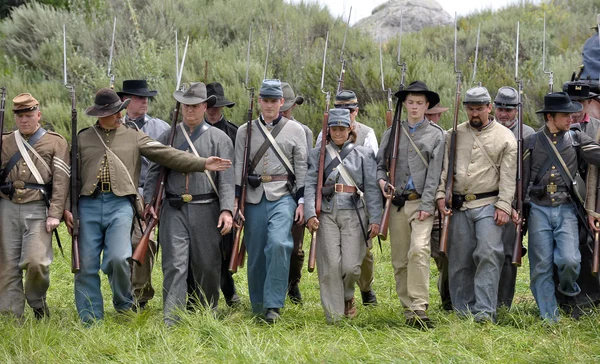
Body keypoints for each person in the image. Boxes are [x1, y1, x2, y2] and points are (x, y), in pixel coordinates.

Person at [63, 87, 231, 325]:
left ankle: (124, 302)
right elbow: (72, 179)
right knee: (87, 265)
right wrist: (67, 207)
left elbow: (167, 155)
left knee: (120, 259)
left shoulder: (134, 136)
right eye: (114, 112)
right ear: (100, 114)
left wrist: (203, 164)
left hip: (124, 203)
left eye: (120, 111)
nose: (120, 116)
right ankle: (92, 318)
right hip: (89, 204)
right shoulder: (82, 138)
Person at [143, 82, 234, 325]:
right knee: (174, 264)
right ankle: (172, 317)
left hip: (207, 207)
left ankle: (208, 312)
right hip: (174, 209)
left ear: (205, 106)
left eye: (195, 106)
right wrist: (149, 202)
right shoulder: (168, 135)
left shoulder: (219, 138)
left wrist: (227, 210)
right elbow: (154, 171)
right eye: (186, 105)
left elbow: (226, 180)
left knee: (207, 264)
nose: (189, 110)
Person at [436, 86, 517, 323]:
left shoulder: (505, 137)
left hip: (489, 204)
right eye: (470, 109)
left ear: (489, 108)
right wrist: (441, 194)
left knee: (488, 254)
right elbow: (445, 169)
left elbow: (509, 176)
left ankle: (484, 311)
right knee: (459, 259)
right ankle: (463, 310)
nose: (474, 114)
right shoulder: (454, 134)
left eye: (479, 109)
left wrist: (503, 205)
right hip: (460, 205)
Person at [233, 79, 307, 323]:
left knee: (278, 244)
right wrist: (237, 200)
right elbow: (238, 167)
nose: (269, 105)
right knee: (255, 252)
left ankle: (273, 304)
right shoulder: (245, 130)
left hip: (283, 195)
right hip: (254, 196)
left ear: (281, 102)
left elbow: (301, 168)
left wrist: (302, 201)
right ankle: (258, 305)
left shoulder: (297, 131)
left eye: (274, 101)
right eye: (265, 100)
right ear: (259, 102)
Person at [524, 92, 600, 322]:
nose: (571, 118)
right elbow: (522, 178)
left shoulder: (576, 139)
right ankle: (550, 318)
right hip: (538, 209)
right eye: (565, 115)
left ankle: (568, 290)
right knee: (541, 267)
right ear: (550, 116)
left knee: (570, 261)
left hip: (567, 208)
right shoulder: (532, 142)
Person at [377, 81, 445, 327]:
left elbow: (435, 174)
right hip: (396, 205)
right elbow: (379, 167)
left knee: (419, 251)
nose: (415, 107)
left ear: (427, 105)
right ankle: (409, 312)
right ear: (404, 104)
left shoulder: (437, 135)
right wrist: (383, 182)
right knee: (399, 260)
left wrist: (428, 204)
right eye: (411, 102)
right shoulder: (392, 132)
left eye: (420, 103)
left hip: (421, 204)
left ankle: (420, 307)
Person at [305, 108, 381, 323]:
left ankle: (348, 295)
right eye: (334, 129)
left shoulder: (363, 154)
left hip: (354, 213)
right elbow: (311, 184)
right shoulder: (317, 154)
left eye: (342, 129)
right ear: (328, 131)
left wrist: (375, 219)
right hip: (327, 213)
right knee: (330, 266)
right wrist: (310, 213)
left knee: (351, 266)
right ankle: (335, 317)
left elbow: (373, 189)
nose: (338, 133)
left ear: (350, 130)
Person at [0, 93, 69, 319]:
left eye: (29, 115)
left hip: (38, 207)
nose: (24, 120)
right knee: (8, 265)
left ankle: (37, 302)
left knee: (36, 261)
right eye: (20, 117)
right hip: (7, 206)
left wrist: (55, 213)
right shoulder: (5, 140)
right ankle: (12, 316)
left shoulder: (55, 141)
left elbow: (61, 180)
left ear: (38, 115)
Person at [117, 79, 170, 310]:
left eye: (146, 98)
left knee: (143, 242)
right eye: (139, 98)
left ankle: (140, 296)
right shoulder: (113, 126)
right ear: (124, 101)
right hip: (119, 193)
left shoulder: (161, 128)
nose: (144, 101)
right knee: (119, 248)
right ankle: (123, 294)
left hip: (147, 194)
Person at [493, 86, 535, 310]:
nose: (504, 113)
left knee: (510, 252)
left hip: (518, 204)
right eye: (500, 108)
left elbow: (531, 172)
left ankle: (503, 303)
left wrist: (522, 205)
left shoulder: (528, 134)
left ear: (517, 110)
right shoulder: (487, 130)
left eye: (509, 109)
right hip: (489, 198)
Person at [204, 81, 240, 307]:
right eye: (209, 105)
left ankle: (228, 290)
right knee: (205, 251)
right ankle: (223, 294)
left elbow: (240, 170)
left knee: (226, 251)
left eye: (217, 105)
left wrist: (235, 200)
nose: (213, 109)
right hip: (202, 198)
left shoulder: (235, 133)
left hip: (228, 199)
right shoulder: (191, 132)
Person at [281, 82, 312, 304]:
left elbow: (308, 167)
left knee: (295, 247)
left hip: (295, 193)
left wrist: (304, 199)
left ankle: (293, 284)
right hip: (268, 193)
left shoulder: (304, 131)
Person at [423, 101, 451, 310]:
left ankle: (448, 299)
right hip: (417, 206)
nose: (433, 118)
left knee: (445, 257)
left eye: (435, 115)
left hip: (439, 209)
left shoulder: (445, 138)